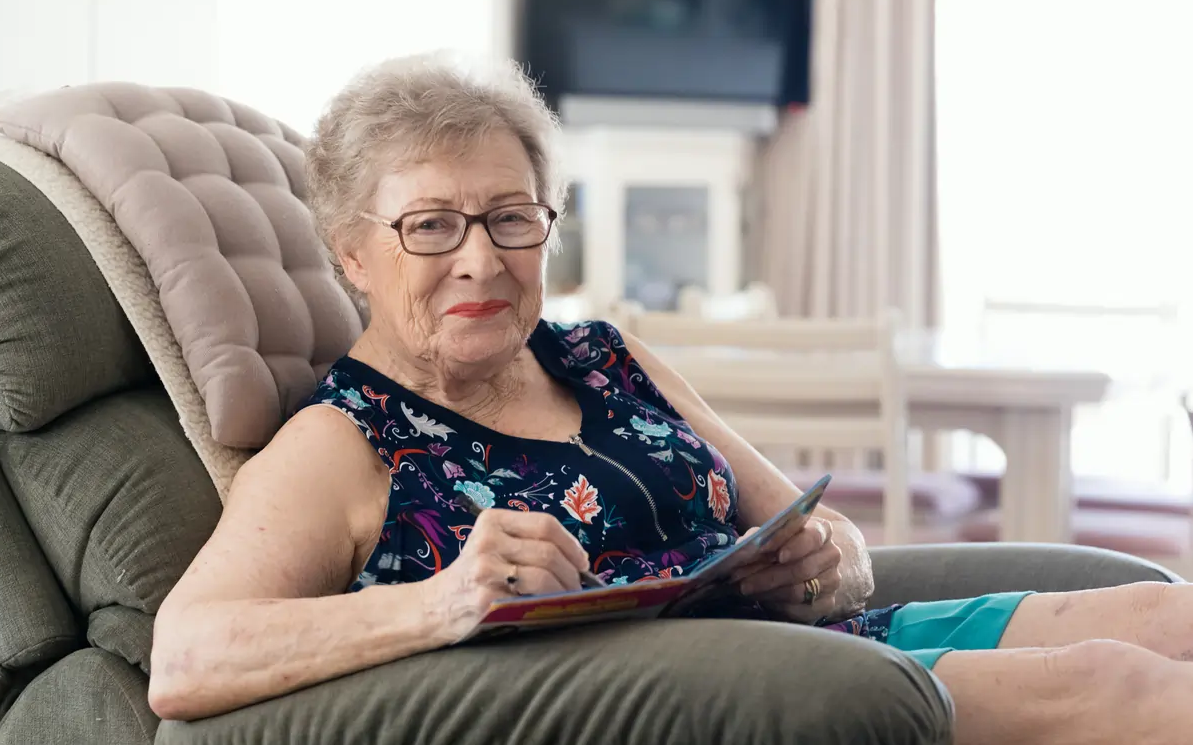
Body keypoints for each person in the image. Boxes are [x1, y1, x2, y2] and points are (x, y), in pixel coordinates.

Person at [149, 54, 1193, 743]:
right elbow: (185, 657)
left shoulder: (607, 356)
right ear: (354, 254)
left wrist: (829, 556)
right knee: (1117, 681)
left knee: (1170, 615)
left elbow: (819, 525)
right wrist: (442, 601)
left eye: (513, 218)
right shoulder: (344, 438)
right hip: (743, 697)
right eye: (431, 225)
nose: (482, 258)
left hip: (830, 643)